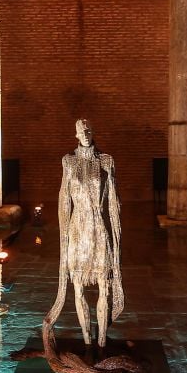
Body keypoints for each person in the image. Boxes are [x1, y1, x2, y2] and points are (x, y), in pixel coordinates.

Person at [44, 118, 124, 347]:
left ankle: (101, 340)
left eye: (89, 130)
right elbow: (64, 199)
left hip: (98, 226)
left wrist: (115, 233)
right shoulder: (68, 162)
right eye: (81, 131)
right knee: (77, 286)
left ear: (93, 131)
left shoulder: (106, 161)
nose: (86, 134)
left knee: (104, 286)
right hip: (77, 228)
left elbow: (113, 200)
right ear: (76, 135)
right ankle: (87, 340)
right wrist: (64, 234)